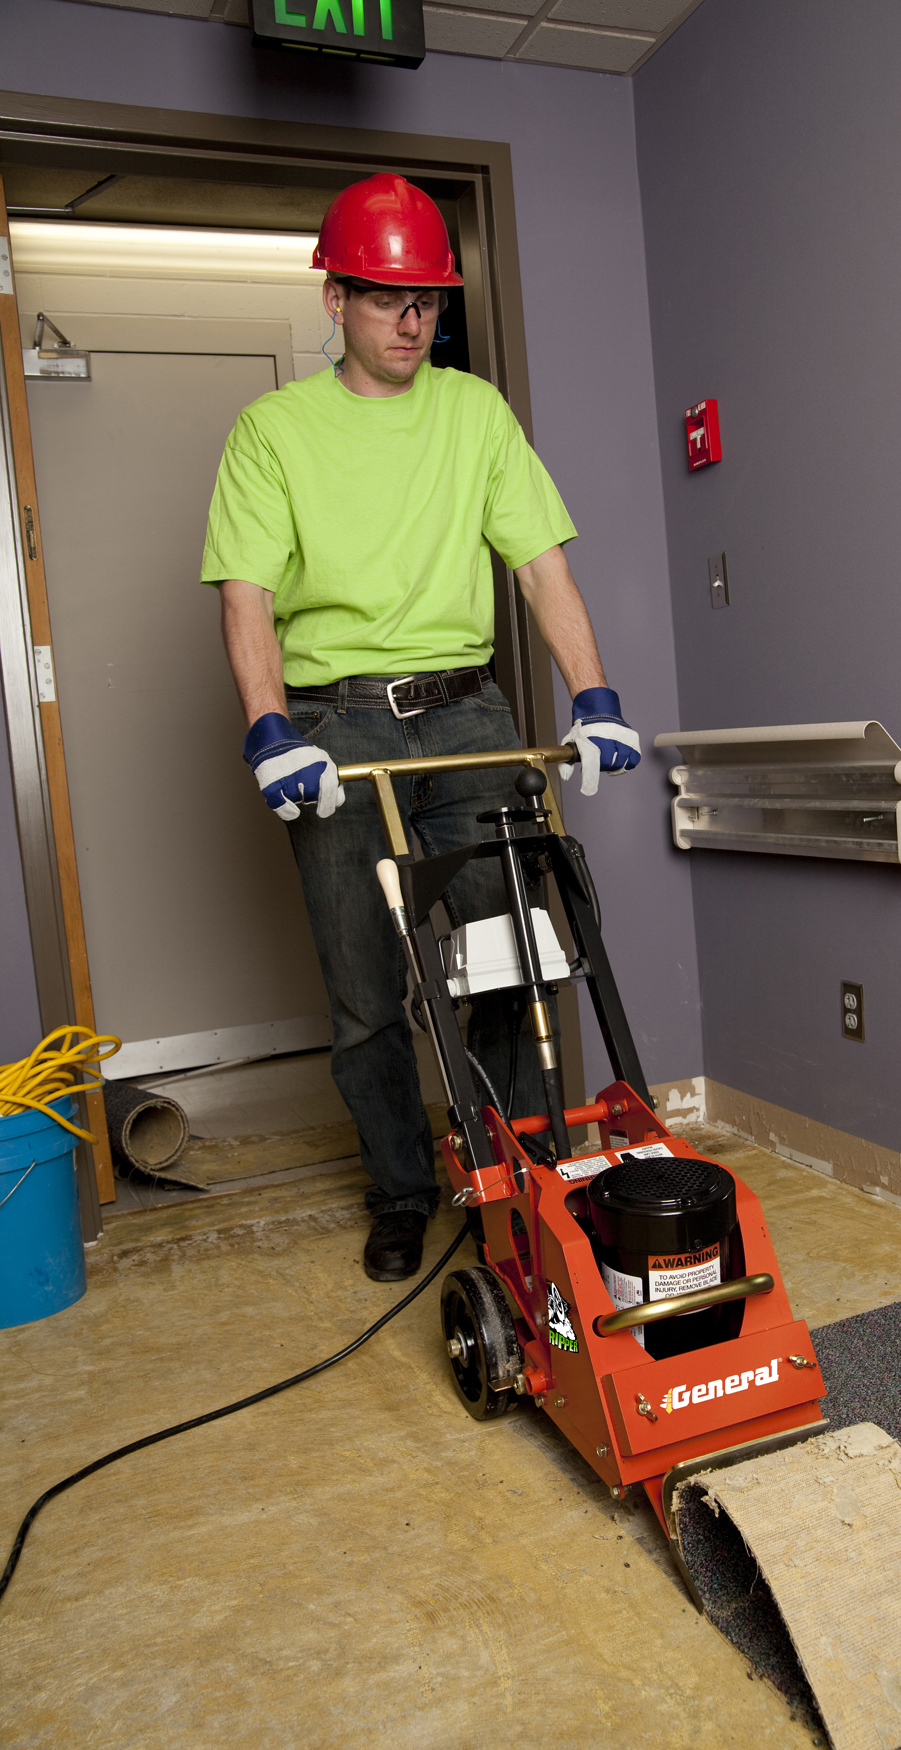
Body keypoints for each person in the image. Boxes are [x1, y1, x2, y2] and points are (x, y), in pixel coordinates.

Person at [201, 174, 639, 1283]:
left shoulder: (476, 412)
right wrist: (267, 730)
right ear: (336, 298)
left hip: (469, 716)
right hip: (335, 732)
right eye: (386, 297)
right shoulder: (272, 431)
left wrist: (595, 697)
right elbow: (245, 595)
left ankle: (528, 1180)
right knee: (364, 991)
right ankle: (400, 1189)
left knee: (507, 961)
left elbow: (542, 567)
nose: (411, 321)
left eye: (428, 301)